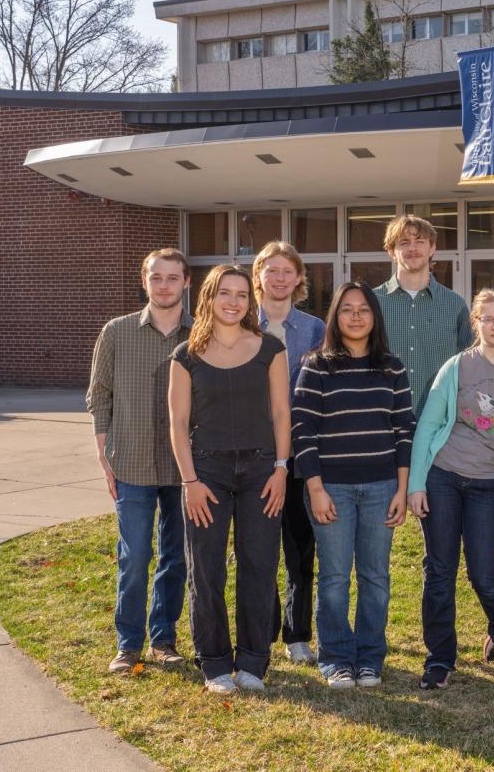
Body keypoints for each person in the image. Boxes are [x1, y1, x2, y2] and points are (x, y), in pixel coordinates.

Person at [168, 265, 291, 694]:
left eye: (241, 294)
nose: (234, 301)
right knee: (206, 570)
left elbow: (280, 414)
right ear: (209, 298)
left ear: (250, 301)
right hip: (207, 474)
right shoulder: (185, 355)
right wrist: (190, 481)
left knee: (259, 565)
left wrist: (281, 469)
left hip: (262, 472)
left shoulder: (270, 349)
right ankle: (215, 662)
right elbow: (178, 424)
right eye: (225, 293)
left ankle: (254, 662)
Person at [292, 282, 415, 690]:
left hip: (382, 488)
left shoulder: (392, 367)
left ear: (375, 316)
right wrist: (315, 488)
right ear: (335, 317)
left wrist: (401, 490)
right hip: (333, 490)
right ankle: (336, 658)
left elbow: (403, 432)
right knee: (334, 577)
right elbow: (303, 431)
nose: (356, 316)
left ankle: (369, 658)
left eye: (364, 309)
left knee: (376, 577)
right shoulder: (317, 366)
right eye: (347, 309)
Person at [408, 288, 494, 690]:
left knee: (485, 575)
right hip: (444, 477)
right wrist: (416, 483)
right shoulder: (457, 366)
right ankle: (440, 659)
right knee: (439, 570)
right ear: (475, 323)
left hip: (489, 486)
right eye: (487, 318)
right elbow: (427, 425)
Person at [87, 247, 192, 674]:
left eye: (172, 278)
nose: (164, 285)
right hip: (130, 463)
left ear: (187, 282)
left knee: (177, 556)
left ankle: (164, 638)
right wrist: (102, 453)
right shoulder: (117, 331)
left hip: (185, 467)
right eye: (156, 277)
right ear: (144, 281)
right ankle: (128, 643)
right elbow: (100, 395)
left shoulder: (201, 334)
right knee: (134, 556)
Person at [252, 241, 326, 667]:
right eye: (271, 270)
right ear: (258, 275)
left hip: (301, 455)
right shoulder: (242, 324)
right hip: (254, 454)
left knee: (301, 549)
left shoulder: (315, 330)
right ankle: (264, 624)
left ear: (299, 279)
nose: (279, 278)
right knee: (259, 548)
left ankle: (298, 635)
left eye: (288, 271)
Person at [374, 215, 473, 417]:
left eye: (420, 241)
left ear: (432, 248)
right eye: (404, 243)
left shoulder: (455, 305)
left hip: (439, 421)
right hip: (382, 419)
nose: (413, 248)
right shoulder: (372, 303)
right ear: (391, 252)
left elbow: (468, 367)